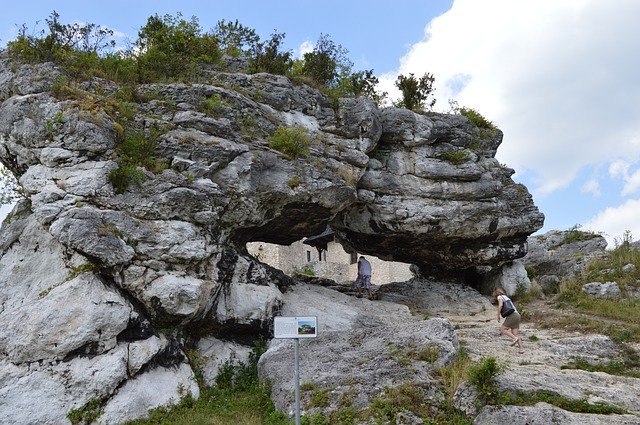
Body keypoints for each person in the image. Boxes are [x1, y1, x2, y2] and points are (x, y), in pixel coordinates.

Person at [492, 287, 524, 353]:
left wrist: (498, 316)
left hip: (512, 315)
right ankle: (521, 349)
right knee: (515, 334)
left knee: (503, 329)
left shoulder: (499, 297)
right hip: (517, 315)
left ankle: (514, 339)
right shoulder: (506, 297)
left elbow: (500, 305)